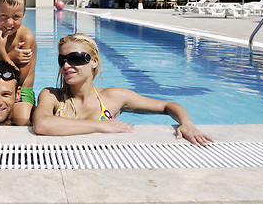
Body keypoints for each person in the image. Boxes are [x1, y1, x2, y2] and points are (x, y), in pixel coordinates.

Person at [32, 33, 214, 146]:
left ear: (94, 61)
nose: (66, 65)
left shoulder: (113, 97)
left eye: (76, 58)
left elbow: (168, 105)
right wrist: (101, 126)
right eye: (62, 60)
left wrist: (186, 122)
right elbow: (42, 124)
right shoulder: (52, 96)